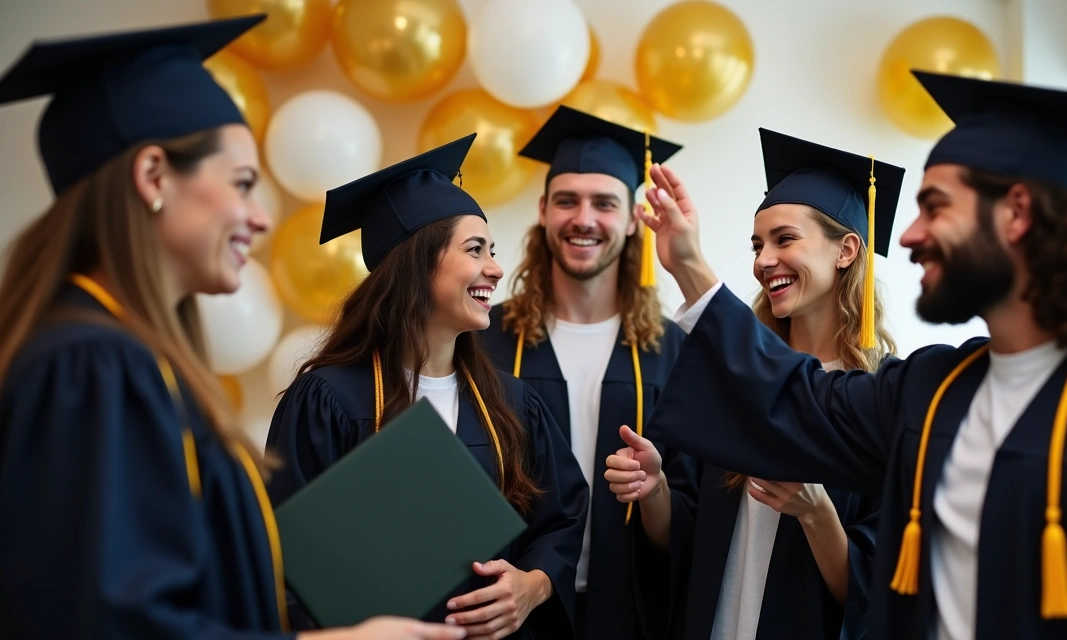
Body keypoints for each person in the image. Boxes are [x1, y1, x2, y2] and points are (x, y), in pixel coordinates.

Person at [635, 71, 1067, 639]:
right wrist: (690, 267)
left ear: (1016, 212)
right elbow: (794, 399)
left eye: (935, 207)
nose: (909, 235)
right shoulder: (934, 389)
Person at [0, 16, 464, 640]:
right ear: (154, 177)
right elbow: (108, 623)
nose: (259, 218)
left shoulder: (125, 356)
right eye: (242, 184)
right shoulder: (94, 366)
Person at [265, 134, 589, 640]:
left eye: (493, 250)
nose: (496, 268)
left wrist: (534, 585)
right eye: (475, 249)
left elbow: (561, 519)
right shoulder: (331, 400)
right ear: (417, 263)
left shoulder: (511, 403)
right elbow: (285, 556)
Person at [604, 129, 899, 640]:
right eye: (758, 245)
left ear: (847, 249)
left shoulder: (881, 398)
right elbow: (689, 541)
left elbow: (871, 594)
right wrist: (654, 492)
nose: (764, 260)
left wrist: (816, 512)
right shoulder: (733, 383)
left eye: (785, 240)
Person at [477, 106, 698, 640]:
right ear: (543, 211)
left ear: (631, 219)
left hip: (631, 613)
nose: (583, 218)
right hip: (509, 612)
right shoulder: (484, 342)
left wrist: (654, 489)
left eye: (604, 202)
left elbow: (691, 523)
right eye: (567, 200)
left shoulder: (674, 351)